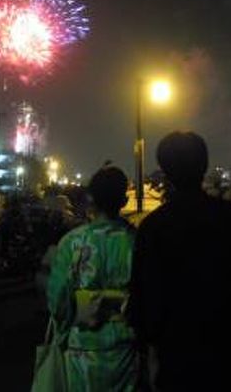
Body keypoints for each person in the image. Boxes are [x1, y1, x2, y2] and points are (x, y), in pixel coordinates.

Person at [129, 131, 231, 391]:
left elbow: (142, 303)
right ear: (205, 166)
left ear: (164, 170)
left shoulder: (153, 228)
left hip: (177, 358)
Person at [47, 166, 138, 391]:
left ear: (90, 200)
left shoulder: (72, 242)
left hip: (82, 348)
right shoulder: (137, 242)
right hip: (125, 349)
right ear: (124, 201)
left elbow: (58, 301)